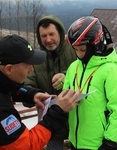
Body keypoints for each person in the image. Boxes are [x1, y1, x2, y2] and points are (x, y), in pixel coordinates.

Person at [0, 34, 80, 150]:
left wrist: (31, 94)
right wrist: (58, 111)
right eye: (28, 66)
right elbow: (27, 145)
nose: (31, 70)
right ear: (9, 69)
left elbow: (5, 83)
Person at [63, 16, 117, 150]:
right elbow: (65, 95)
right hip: (75, 140)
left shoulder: (110, 70)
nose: (79, 54)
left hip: (98, 144)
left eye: (83, 50)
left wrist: (110, 141)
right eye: (76, 50)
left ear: (95, 44)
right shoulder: (73, 67)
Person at [23, 14, 77, 150]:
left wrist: (67, 78)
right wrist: (37, 94)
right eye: (43, 36)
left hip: (78, 122)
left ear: (60, 32)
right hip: (52, 125)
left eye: (51, 34)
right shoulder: (36, 60)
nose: (48, 39)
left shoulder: (75, 51)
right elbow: (26, 87)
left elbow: (89, 77)